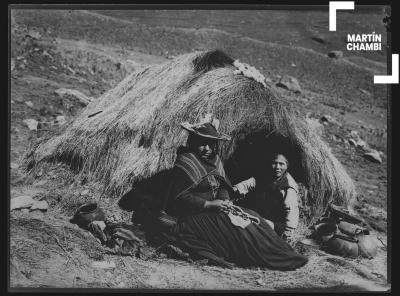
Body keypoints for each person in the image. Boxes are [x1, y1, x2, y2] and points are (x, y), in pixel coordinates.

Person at [161, 115, 307, 270]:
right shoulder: (186, 164)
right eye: (202, 144)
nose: (207, 148)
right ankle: (276, 259)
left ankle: (285, 252)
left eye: (210, 144)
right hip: (193, 215)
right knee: (240, 233)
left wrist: (224, 199)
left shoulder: (214, 160)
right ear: (193, 142)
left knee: (254, 218)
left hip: (218, 208)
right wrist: (210, 204)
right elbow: (179, 198)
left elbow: (223, 185)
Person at [234, 153, 300, 239]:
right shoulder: (265, 175)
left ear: (287, 166)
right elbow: (248, 184)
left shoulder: (288, 186)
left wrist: (288, 232)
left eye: (281, 164)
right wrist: (234, 189)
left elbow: (291, 210)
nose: (277, 167)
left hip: (277, 223)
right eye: (274, 163)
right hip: (263, 214)